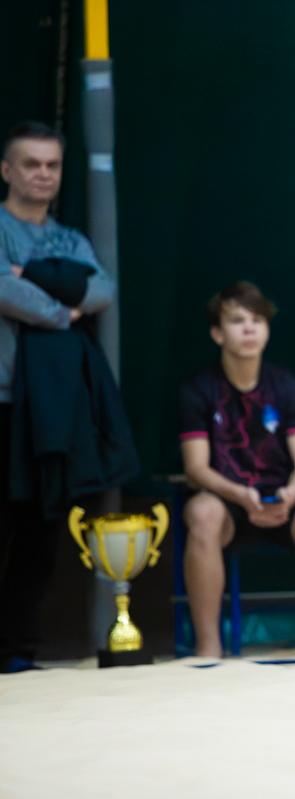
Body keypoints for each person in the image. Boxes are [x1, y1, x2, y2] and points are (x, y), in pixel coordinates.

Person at [179, 281, 295, 657]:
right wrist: (238, 495)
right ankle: (208, 650)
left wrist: (291, 494)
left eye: (258, 320)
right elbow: (195, 467)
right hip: (229, 505)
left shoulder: (288, 386)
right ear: (217, 333)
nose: (249, 329)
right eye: (237, 321)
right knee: (201, 513)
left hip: (284, 504)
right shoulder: (198, 389)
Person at [0, 121, 116, 673]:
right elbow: (4, 289)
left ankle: (17, 649)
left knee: (40, 527)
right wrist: (60, 309)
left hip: (52, 407)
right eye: (31, 164)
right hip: (4, 398)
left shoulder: (71, 239)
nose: (43, 174)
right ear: (7, 170)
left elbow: (102, 289)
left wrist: (33, 277)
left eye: (52, 165)